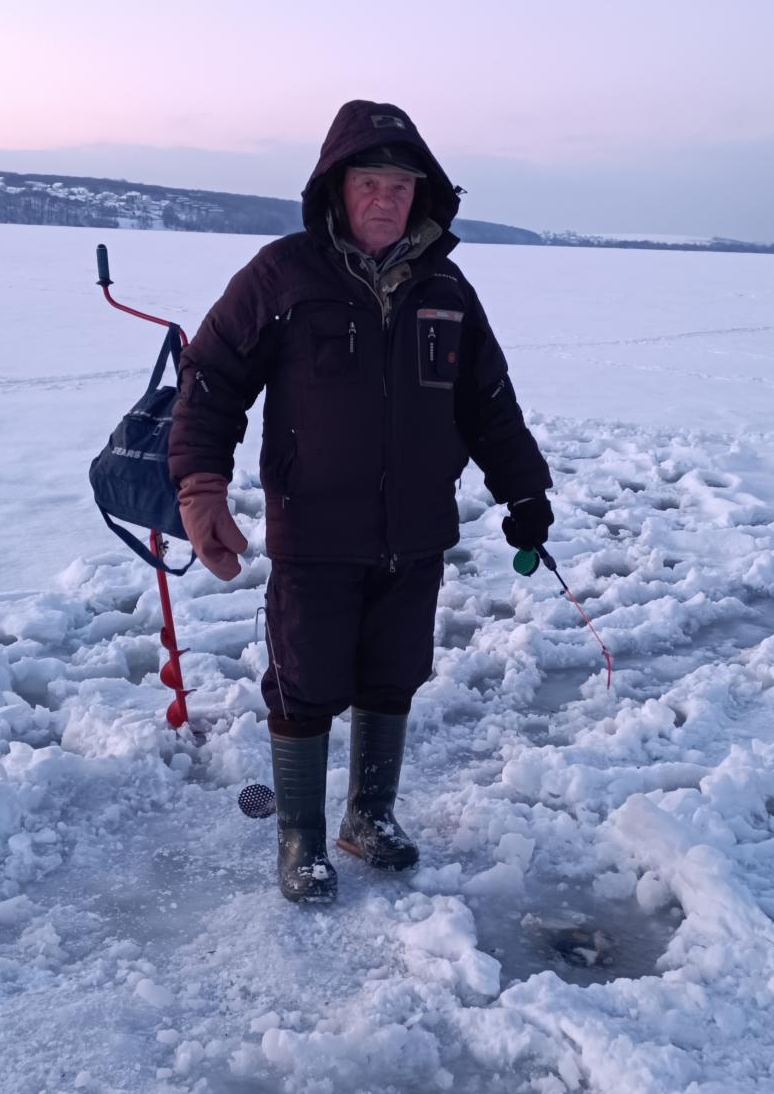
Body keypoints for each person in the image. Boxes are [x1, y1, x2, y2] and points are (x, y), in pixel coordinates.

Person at [168, 100, 554, 904]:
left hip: (414, 530)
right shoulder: (281, 275)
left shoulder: (448, 287)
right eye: (368, 181)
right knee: (305, 682)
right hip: (314, 528)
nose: (385, 198)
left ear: (423, 195)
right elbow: (211, 379)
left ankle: (368, 816)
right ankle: (302, 837)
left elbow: (488, 400)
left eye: (400, 185)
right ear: (337, 189)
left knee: (393, 675)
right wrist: (202, 485)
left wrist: (523, 487)